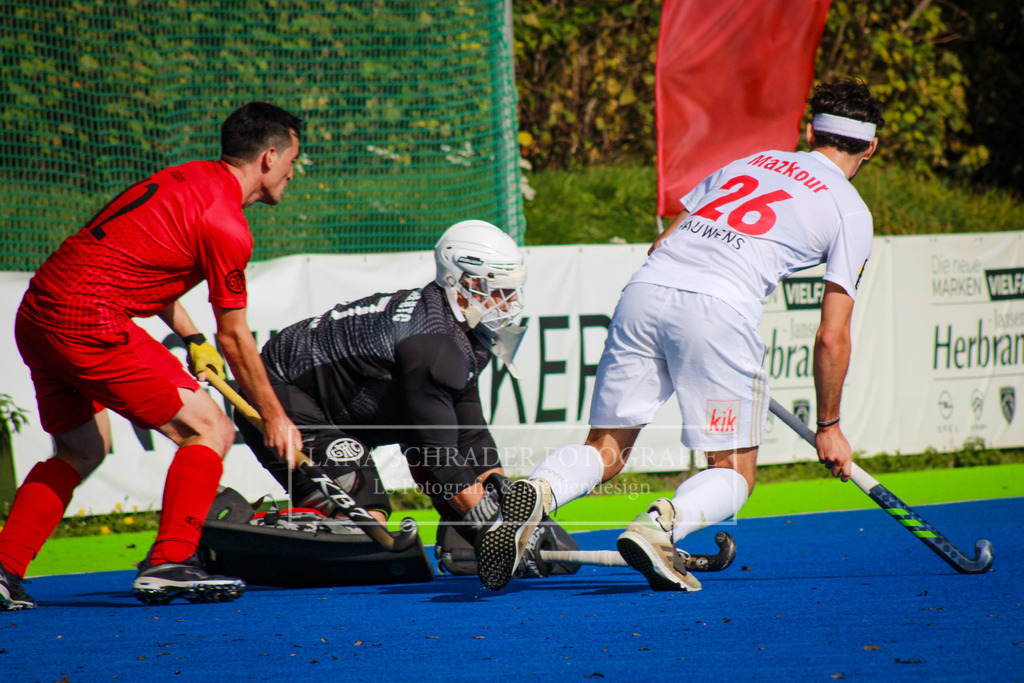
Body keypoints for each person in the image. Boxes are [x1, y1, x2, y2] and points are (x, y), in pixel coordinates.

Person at [476, 77, 885, 591]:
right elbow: (832, 335)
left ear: (809, 131)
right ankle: (660, 526)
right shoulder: (850, 209)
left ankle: (540, 490)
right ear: (871, 146)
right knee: (733, 471)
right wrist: (829, 425)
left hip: (646, 290)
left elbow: (660, 244)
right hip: (718, 309)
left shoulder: (749, 163)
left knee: (607, 448)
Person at [0, 102, 305, 610]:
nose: (294, 172)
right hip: (89, 321)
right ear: (270, 156)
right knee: (210, 429)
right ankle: (171, 561)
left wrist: (191, 340)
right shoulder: (227, 223)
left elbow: (147, 261)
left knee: (80, 451)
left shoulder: (184, 179)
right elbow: (235, 336)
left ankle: (3, 566)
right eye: (294, 158)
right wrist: (276, 417)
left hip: (37, 314)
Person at [236, 220, 577, 576]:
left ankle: (457, 540)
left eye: (510, 291)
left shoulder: (461, 331)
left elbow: (470, 435)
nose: (506, 303)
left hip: (336, 406)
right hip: (276, 395)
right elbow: (440, 456)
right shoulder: (434, 343)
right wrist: (499, 530)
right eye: (494, 289)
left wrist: (506, 507)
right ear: (455, 280)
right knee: (367, 519)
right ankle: (266, 530)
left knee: (432, 459)